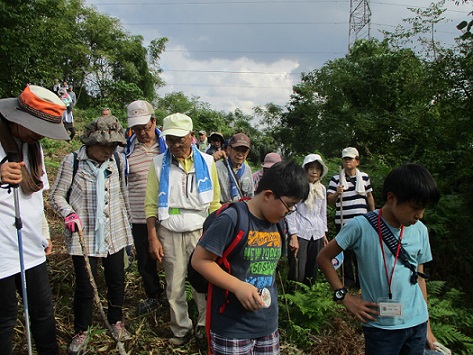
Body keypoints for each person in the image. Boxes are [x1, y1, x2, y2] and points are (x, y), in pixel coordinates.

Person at [317, 163, 441, 355]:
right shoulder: (360, 226)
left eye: (423, 209)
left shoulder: (420, 230)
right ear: (391, 198)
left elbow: (419, 278)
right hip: (381, 328)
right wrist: (344, 297)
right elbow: (324, 258)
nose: (420, 215)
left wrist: (428, 329)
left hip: (417, 324)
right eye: (415, 208)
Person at [191, 160, 309, 355]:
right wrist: (238, 286)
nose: (289, 212)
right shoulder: (232, 218)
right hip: (231, 329)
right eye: (289, 205)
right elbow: (200, 260)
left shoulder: (278, 224)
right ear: (269, 195)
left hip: (267, 327)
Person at [50, 115, 134, 355]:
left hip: (114, 232)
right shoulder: (73, 161)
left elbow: (122, 195)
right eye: (104, 146)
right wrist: (68, 213)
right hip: (84, 235)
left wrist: (128, 228)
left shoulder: (116, 161)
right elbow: (56, 195)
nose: (108, 151)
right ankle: (82, 330)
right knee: (86, 286)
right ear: (90, 142)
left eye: (113, 146)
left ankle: (115, 322)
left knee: (117, 280)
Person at [0, 85, 70, 355]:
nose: (40, 135)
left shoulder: (33, 147)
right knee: (5, 319)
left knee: (43, 313)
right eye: (37, 128)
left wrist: (44, 232)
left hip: (30, 245)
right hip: (3, 252)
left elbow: (38, 196)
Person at [144, 113, 221, 346]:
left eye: (180, 139)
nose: (176, 144)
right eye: (170, 140)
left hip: (201, 230)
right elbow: (150, 205)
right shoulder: (158, 164)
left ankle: (203, 327)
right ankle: (180, 330)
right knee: (175, 284)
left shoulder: (207, 163)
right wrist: (153, 237)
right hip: (170, 229)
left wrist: (215, 236)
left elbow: (215, 202)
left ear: (191, 136)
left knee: (202, 282)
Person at [124, 100, 167, 315]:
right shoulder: (125, 151)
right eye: (137, 129)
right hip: (139, 216)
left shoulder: (168, 147)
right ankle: (154, 296)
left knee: (170, 259)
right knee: (145, 260)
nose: (142, 133)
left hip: (166, 216)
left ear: (154, 121)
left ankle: (174, 297)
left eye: (146, 127)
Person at [327, 147, 375, 288]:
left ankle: (361, 283)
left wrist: (373, 216)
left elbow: (369, 196)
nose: (347, 161)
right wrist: (337, 193)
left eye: (350, 158)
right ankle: (348, 283)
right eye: (345, 159)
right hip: (343, 222)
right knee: (345, 253)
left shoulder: (364, 177)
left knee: (361, 254)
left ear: (357, 161)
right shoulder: (336, 179)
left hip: (363, 222)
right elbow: (330, 199)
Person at [286, 154, 328, 286]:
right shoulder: (298, 186)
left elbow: (323, 212)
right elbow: (291, 210)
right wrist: (293, 235)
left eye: (317, 169)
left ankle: (309, 297)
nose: (314, 171)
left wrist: (324, 232)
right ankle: (293, 298)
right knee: (298, 269)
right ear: (305, 170)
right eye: (311, 168)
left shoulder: (321, 189)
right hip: (300, 232)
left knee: (313, 267)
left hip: (317, 233)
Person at [216, 132, 254, 203]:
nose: (240, 154)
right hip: (222, 209)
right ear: (229, 150)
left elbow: (250, 195)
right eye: (237, 149)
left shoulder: (247, 170)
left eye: (244, 151)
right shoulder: (218, 167)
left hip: (242, 209)